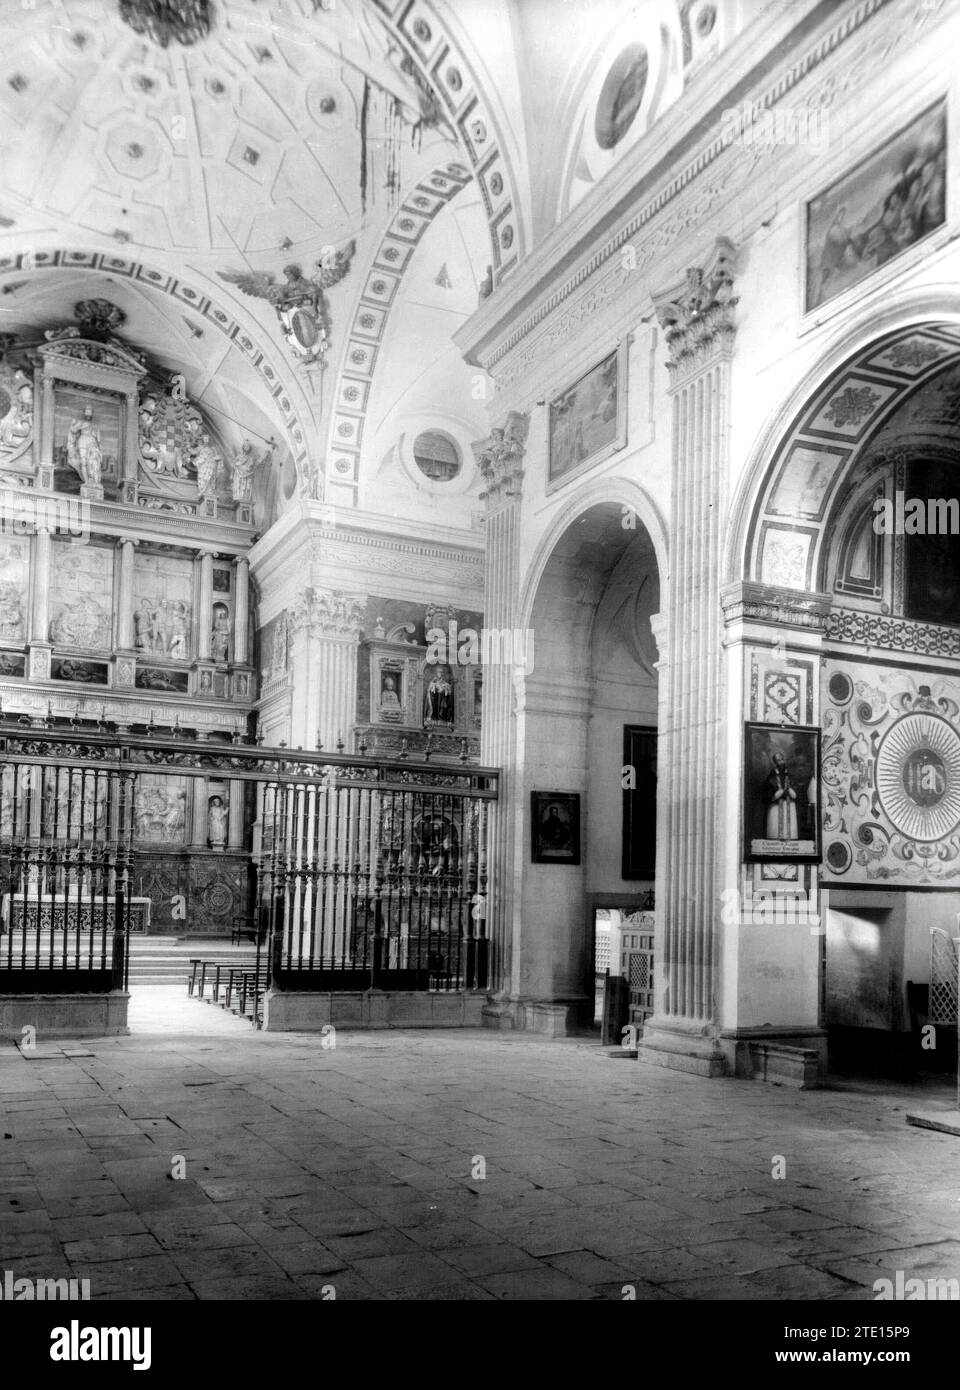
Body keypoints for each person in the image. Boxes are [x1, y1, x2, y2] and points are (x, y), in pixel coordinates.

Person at [764, 752, 798, 841]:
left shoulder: (790, 775)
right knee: (775, 836)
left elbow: (797, 792)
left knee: (789, 835)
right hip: (775, 807)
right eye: (778, 760)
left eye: (782, 759)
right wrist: (776, 794)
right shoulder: (771, 777)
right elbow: (767, 794)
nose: (781, 762)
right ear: (775, 763)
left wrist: (791, 790)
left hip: (789, 805)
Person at [66, 405, 102, 486]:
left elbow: (99, 439)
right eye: (87, 412)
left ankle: (94, 481)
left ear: (92, 414)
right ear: (84, 413)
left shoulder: (95, 425)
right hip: (82, 441)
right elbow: (73, 430)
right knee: (83, 462)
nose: (88, 414)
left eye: (90, 412)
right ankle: (86, 482)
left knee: (93, 462)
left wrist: (100, 450)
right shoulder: (81, 423)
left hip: (92, 442)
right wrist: (75, 425)